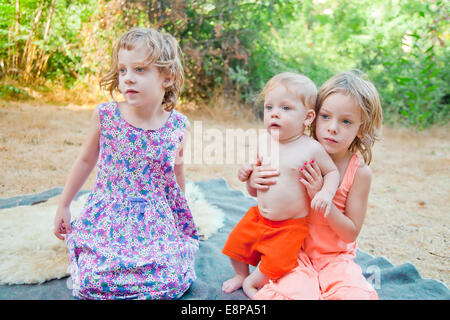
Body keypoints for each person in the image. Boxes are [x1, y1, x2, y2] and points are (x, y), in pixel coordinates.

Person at [53, 28, 198, 300]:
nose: (128, 78)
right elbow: (85, 160)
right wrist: (64, 205)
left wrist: (180, 219)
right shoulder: (106, 116)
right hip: (110, 213)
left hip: (154, 217)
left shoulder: (178, 126)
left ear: (167, 77)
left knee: (168, 276)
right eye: (122, 70)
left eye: (140, 70)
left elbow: (176, 174)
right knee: (97, 277)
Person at [248, 70, 383, 300]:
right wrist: (253, 180)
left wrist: (323, 198)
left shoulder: (359, 173)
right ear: (312, 116)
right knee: (296, 295)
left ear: (361, 128)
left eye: (346, 121)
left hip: (334, 256)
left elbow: (350, 233)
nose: (332, 127)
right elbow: (265, 194)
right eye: (326, 116)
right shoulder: (297, 152)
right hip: (292, 251)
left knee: (355, 296)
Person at [222, 72, 340, 299]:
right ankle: (240, 275)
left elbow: (332, 172)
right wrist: (248, 175)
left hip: (289, 225)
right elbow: (254, 189)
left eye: (286, 108)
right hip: (258, 216)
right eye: (269, 107)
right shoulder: (264, 142)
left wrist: (325, 192)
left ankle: (254, 281)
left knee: (278, 262)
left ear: (307, 118)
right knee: (235, 245)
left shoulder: (310, 148)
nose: (275, 113)